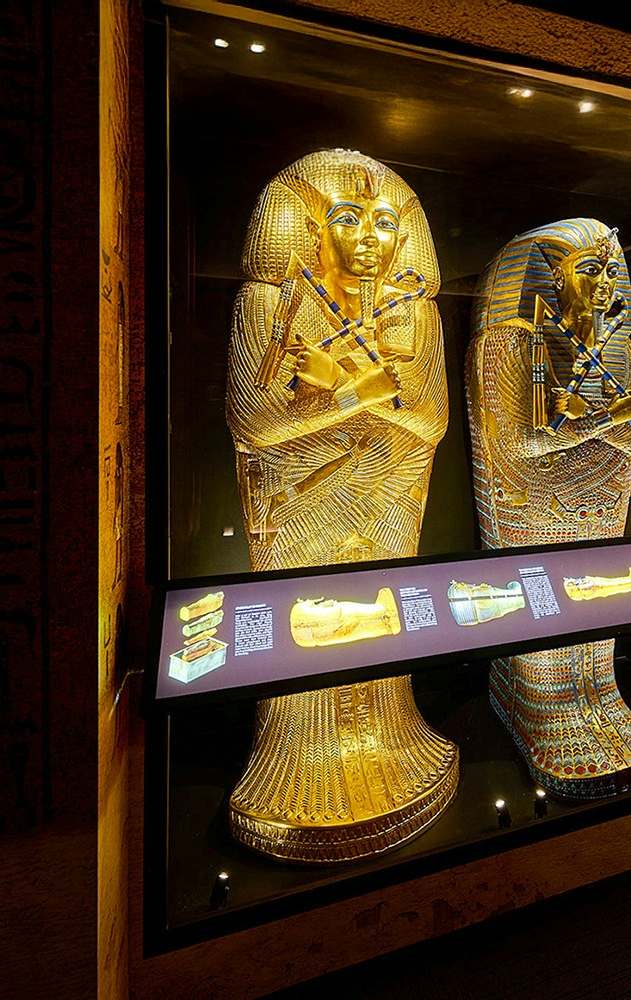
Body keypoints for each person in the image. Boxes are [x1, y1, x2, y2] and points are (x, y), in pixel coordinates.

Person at [223, 149, 457, 863]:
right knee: (310, 618)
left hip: (389, 488)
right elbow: (254, 418)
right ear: (307, 231)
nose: (369, 238)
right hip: (301, 499)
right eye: (348, 219)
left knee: (380, 609)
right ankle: (295, 749)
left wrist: (342, 386)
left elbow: (431, 418)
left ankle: (393, 728)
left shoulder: (414, 312)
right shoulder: (272, 303)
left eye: (385, 222)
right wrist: (367, 392)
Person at [467, 218, 631, 798]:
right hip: (534, 496)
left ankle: (600, 693)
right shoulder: (511, 341)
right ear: (551, 277)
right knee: (545, 598)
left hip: (604, 491)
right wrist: (600, 422)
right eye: (589, 270)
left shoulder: (617, 345)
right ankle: (536, 701)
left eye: (611, 271)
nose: (605, 283)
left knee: (599, 594)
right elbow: (519, 444)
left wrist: (588, 423)